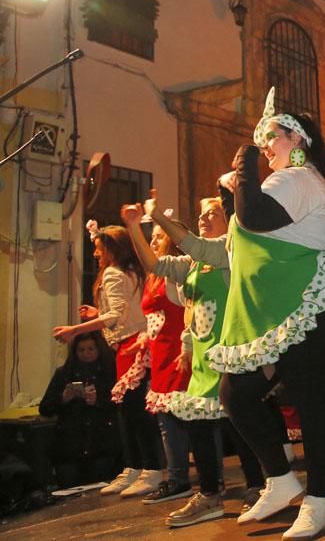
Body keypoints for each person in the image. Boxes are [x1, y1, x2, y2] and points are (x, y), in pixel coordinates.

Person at [208, 88, 325, 540]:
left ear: (297, 138)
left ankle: (319, 500)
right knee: (236, 392)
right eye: (259, 140)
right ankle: (281, 479)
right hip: (282, 306)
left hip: (312, 298)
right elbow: (245, 237)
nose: (264, 144)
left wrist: (244, 159)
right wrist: (238, 184)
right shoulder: (280, 181)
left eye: (270, 136)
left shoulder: (300, 177)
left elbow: (255, 218)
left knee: (311, 399)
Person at [122, 194, 269, 526]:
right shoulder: (191, 265)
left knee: (238, 423)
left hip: (229, 353)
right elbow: (155, 265)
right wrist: (134, 227)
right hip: (203, 360)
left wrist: (156, 215)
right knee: (199, 424)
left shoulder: (230, 254)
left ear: (229, 221)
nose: (203, 218)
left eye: (212, 213)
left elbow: (194, 244)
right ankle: (210, 494)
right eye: (201, 213)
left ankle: (258, 486)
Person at [52, 223, 163, 497]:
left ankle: (150, 468)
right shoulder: (130, 272)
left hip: (131, 346)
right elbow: (123, 310)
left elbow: (115, 316)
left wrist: (75, 330)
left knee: (134, 410)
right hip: (134, 343)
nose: (96, 255)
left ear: (112, 250)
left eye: (99, 249)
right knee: (129, 409)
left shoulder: (113, 274)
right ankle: (137, 466)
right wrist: (97, 312)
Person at [124, 218, 193, 505]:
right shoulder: (153, 275)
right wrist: (144, 339)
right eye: (150, 236)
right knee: (168, 419)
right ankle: (179, 477)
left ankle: (180, 480)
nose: (153, 241)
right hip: (161, 354)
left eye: (158, 236)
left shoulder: (174, 273)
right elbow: (155, 318)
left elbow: (188, 310)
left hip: (178, 353)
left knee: (180, 419)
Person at [39, 332, 119, 488]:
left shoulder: (109, 372)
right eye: (81, 350)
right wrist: (63, 398)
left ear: (99, 350)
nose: (86, 354)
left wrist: (98, 401)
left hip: (102, 445)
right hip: (69, 447)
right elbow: (45, 408)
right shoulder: (63, 373)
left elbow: (120, 404)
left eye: (91, 349)